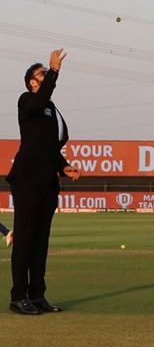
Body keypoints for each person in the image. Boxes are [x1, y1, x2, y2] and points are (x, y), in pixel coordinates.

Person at [7, 49, 80, 315]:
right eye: (42, 74)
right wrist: (55, 70)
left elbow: (50, 145)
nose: (47, 76)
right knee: (25, 239)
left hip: (47, 181)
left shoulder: (50, 108)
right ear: (32, 82)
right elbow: (39, 105)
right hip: (27, 180)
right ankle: (18, 296)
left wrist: (64, 167)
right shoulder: (27, 101)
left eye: (47, 74)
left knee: (40, 242)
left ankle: (37, 295)